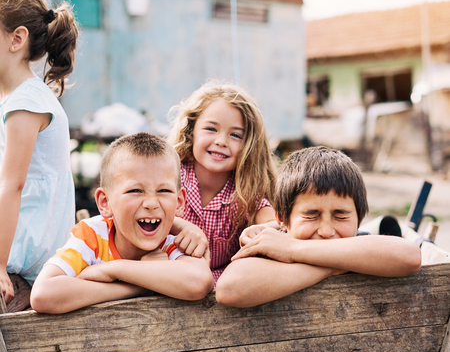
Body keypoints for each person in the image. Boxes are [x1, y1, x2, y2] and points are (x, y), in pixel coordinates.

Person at [215, 146, 422, 307]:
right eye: (311, 216)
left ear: (360, 219)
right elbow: (228, 290)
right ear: (282, 219)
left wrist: (293, 250)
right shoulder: (274, 247)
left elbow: (410, 256)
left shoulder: (360, 244)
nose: (326, 231)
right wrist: (333, 266)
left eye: (340, 216)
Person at [30, 133, 214, 313]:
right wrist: (134, 287)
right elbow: (42, 295)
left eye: (164, 190)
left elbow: (200, 282)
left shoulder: (171, 242)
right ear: (105, 202)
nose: (151, 203)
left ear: (179, 202)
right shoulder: (92, 237)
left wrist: (113, 270)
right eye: (135, 190)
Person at [0, 0, 79, 303]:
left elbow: (12, 186)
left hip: (27, 244)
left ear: (16, 39)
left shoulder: (27, 102)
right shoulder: (20, 97)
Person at [167, 80, 278, 283]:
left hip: (220, 288)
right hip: (166, 279)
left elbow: (273, 221)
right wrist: (182, 227)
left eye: (235, 135)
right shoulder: (170, 175)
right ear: (191, 132)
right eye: (211, 129)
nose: (221, 141)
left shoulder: (244, 191)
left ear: (249, 146)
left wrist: (264, 229)